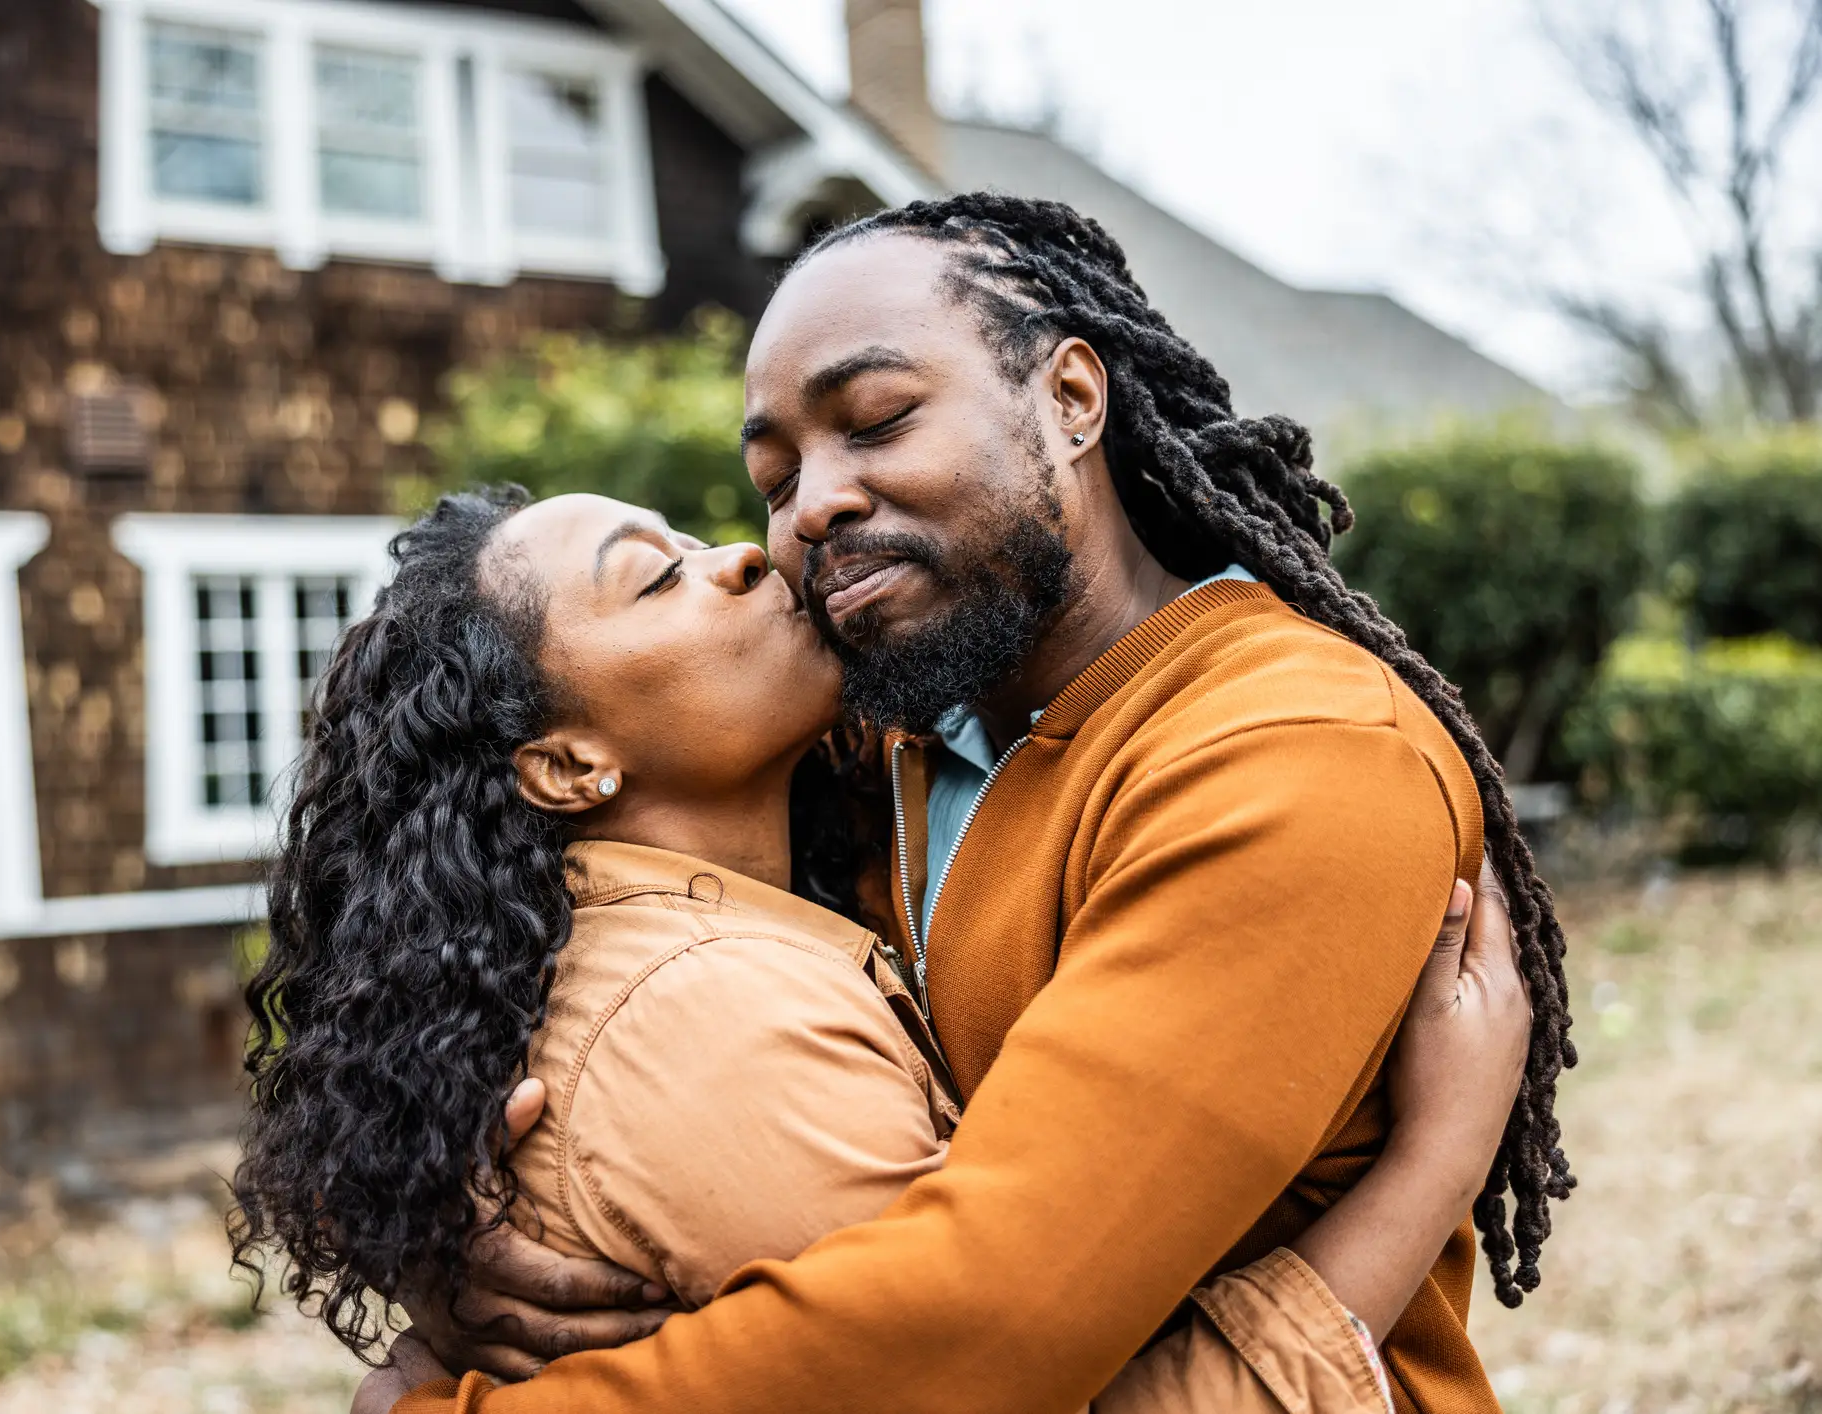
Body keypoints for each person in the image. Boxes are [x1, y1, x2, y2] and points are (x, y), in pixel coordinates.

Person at [337, 194, 1577, 1413]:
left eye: (875, 419)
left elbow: (970, 1327)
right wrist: (455, 1245)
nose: (804, 511)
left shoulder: (1289, 755)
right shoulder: (893, 733)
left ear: (1071, 399)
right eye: (775, 475)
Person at [233, 484, 1527, 1414]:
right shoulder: (717, 1017)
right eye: (656, 574)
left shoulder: (848, 812)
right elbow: (991, 1377)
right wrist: (1434, 1159)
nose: (751, 549)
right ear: (569, 763)